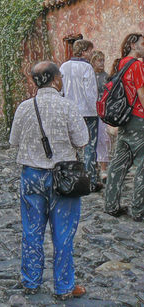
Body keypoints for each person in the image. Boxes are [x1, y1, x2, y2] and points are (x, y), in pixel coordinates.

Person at [9, 61, 88, 300]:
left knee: (32, 230)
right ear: (55, 79)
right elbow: (82, 140)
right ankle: (64, 286)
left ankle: (31, 281)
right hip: (63, 178)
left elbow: (14, 140)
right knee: (63, 233)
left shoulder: (24, 108)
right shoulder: (67, 106)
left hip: (32, 175)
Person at [104, 33, 144, 221]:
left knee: (118, 164)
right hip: (139, 119)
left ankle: (111, 205)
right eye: (142, 44)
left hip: (125, 119)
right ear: (133, 45)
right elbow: (141, 94)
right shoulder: (137, 65)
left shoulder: (120, 64)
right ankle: (138, 210)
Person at [60, 39, 102, 191]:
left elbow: (61, 90)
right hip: (87, 112)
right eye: (90, 50)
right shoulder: (86, 67)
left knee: (72, 145)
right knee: (89, 146)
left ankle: (72, 177)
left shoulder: (64, 66)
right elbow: (90, 92)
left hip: (70, 111)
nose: (91, 53)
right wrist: (96, 110)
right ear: (83, 51)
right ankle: (90, 181)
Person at [90, 50, 111, 179]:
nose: (102, 63)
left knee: (103, 138)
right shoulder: (89, 75)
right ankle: (94, 166)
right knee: (92, 140)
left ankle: (103, 168)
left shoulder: (106, 77)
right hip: (91, 111)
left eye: (103, 60)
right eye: (99, 60)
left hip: (102, 112)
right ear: (93, 61)